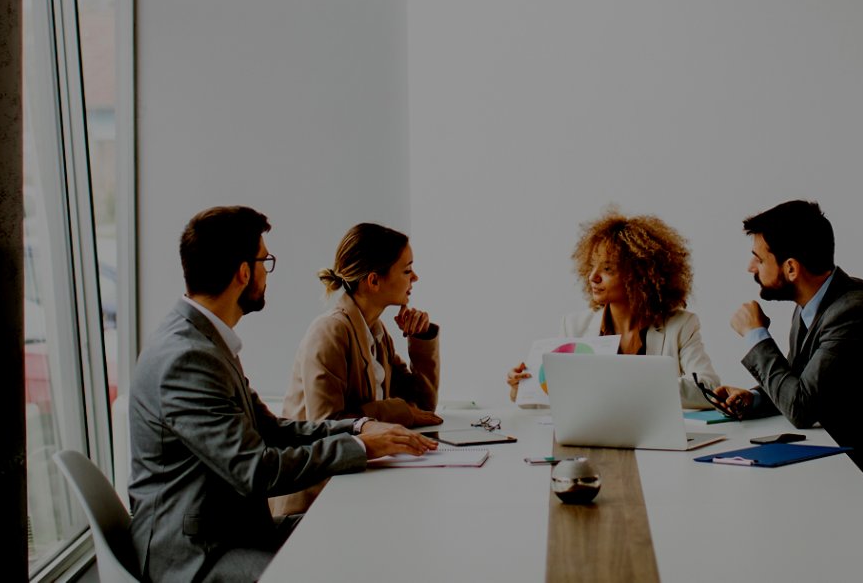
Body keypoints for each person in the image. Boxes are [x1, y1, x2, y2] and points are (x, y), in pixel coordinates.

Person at [129, 206, 436, 583]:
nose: (266, 273)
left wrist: (358, 429)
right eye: (265, 261)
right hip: (200, 553)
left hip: (235, 530)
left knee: (371, 534)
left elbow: (272, 429)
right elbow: (255, 470)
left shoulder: (205, 341)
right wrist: (363, 447)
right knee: (350, 566)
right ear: (244, 272)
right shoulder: (188, 357)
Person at [712, 199, 863, 535]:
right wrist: (755, 399)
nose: (750, 267)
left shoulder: (852, 313)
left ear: (791, 268)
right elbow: (802, 384)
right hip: (851, 471)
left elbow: (801, 406)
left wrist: (756, 335)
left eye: (759, 258)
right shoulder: (815, 305)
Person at [271, 223, 441, 516]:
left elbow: (424, 405)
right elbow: (327, 425)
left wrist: (421, 337)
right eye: (406, 270)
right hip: (312, 503)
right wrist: (401, 412)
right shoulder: (330, 332)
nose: (415, 277)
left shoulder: (375, 330)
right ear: (374, 281)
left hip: (356, 484)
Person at [506, 208, 719, 408]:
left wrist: (634, 382)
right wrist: (521, 390)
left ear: (640, 276)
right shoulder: (574, 327)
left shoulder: (681, 325)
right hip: (591, 437)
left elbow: (709, 389)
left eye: (607, 268)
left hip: (655, 440)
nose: (593, 277)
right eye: (592, 266)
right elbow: (557, 398)